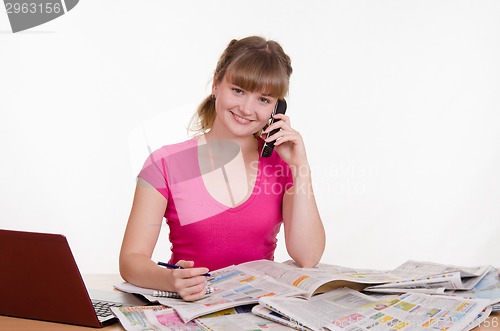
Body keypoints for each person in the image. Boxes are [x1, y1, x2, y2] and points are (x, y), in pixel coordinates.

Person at [119, 36, 326, 301]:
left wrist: (300, 166)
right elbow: (131, 260)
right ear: (216, 84)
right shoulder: (164, 164)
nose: (246, 108)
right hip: (191, 309)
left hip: (258, 311)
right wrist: (171, 280)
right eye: (238, 90)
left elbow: (308, 257)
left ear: (277, 108)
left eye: (263, 99)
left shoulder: (283, 166)